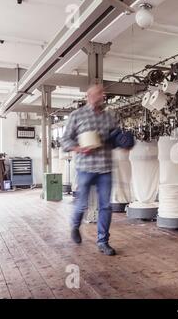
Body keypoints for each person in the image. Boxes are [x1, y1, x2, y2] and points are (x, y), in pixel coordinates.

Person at [61, 84, 119, 256]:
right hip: (85, 167)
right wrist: (79, 149)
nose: (103, 96)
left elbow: (114, 138)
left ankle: (103, 242)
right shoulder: (77, 115)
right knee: (82, 204)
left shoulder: (109, 116)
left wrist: (123, 142)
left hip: (105, 167)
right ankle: (75, 225)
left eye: (103, 93)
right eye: (99, 93)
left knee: (106, 206)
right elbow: (65, 140)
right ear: (89, 96)